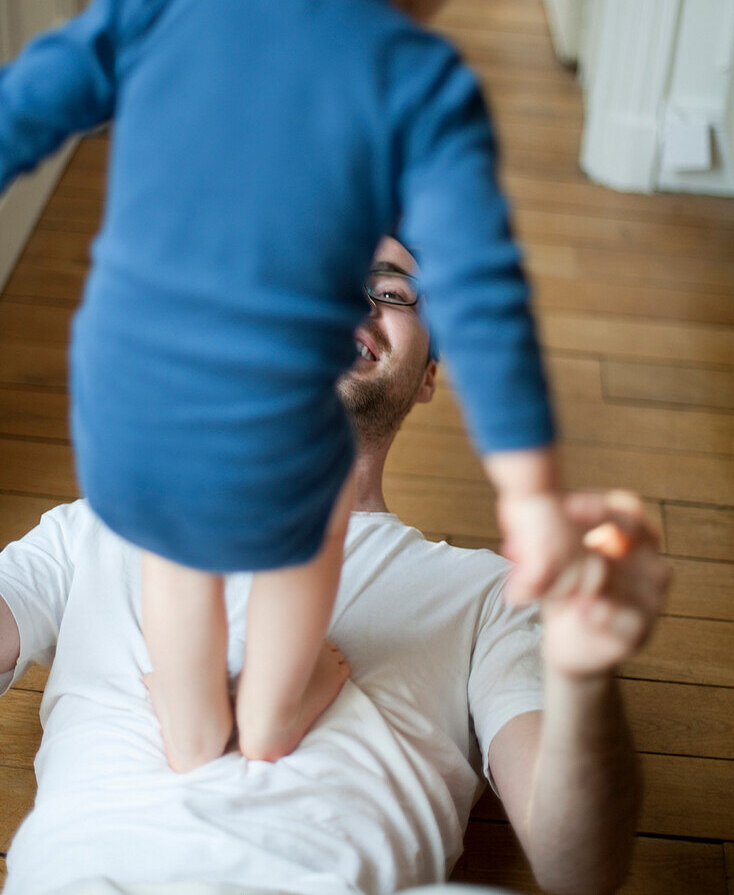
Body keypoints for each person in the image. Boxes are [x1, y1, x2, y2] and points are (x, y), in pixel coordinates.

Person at [1, 0, 595, 774]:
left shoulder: (153, 4)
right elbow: (483, 300)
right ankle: (275, 709)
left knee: (172, 542)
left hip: (121, 402)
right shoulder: (418, 81)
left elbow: (18, 112)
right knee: (315, 505)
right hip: (277, 427)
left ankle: (189, 723)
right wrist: (529, 493)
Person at [0, 238, 670, 895]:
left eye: (392, 292)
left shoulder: (490, 595)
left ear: (429, 373)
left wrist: (582, 676)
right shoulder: (96, 528)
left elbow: (579, 869)